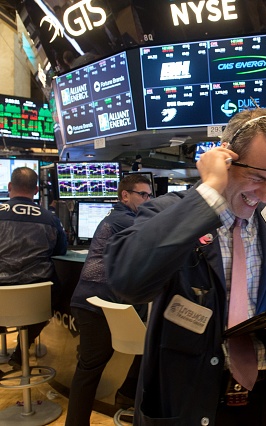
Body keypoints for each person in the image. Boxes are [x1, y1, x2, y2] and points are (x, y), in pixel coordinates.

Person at [104, 108, 266, 426]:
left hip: (263, 396)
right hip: (188, 396)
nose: (264, 196)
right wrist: (209, 192)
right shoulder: (171, 211)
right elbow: (126, 279)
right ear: (225, 158)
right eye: (258, 178)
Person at [65, 174, 153, 426]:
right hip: (97, 305)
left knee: (90, 370)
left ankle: (124, 394)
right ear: (125, 195)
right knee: (91, 369)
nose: (148, 200)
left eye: (150, 195)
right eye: (142, 195)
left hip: (93, 302)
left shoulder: (121, 218)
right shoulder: (124, 220)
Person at [0, 167, 67, 368]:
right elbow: (61, 251)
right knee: (55, 298)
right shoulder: (50, 219)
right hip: (37, 301)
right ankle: (22, 351)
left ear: (10, 186)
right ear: (37, 190)